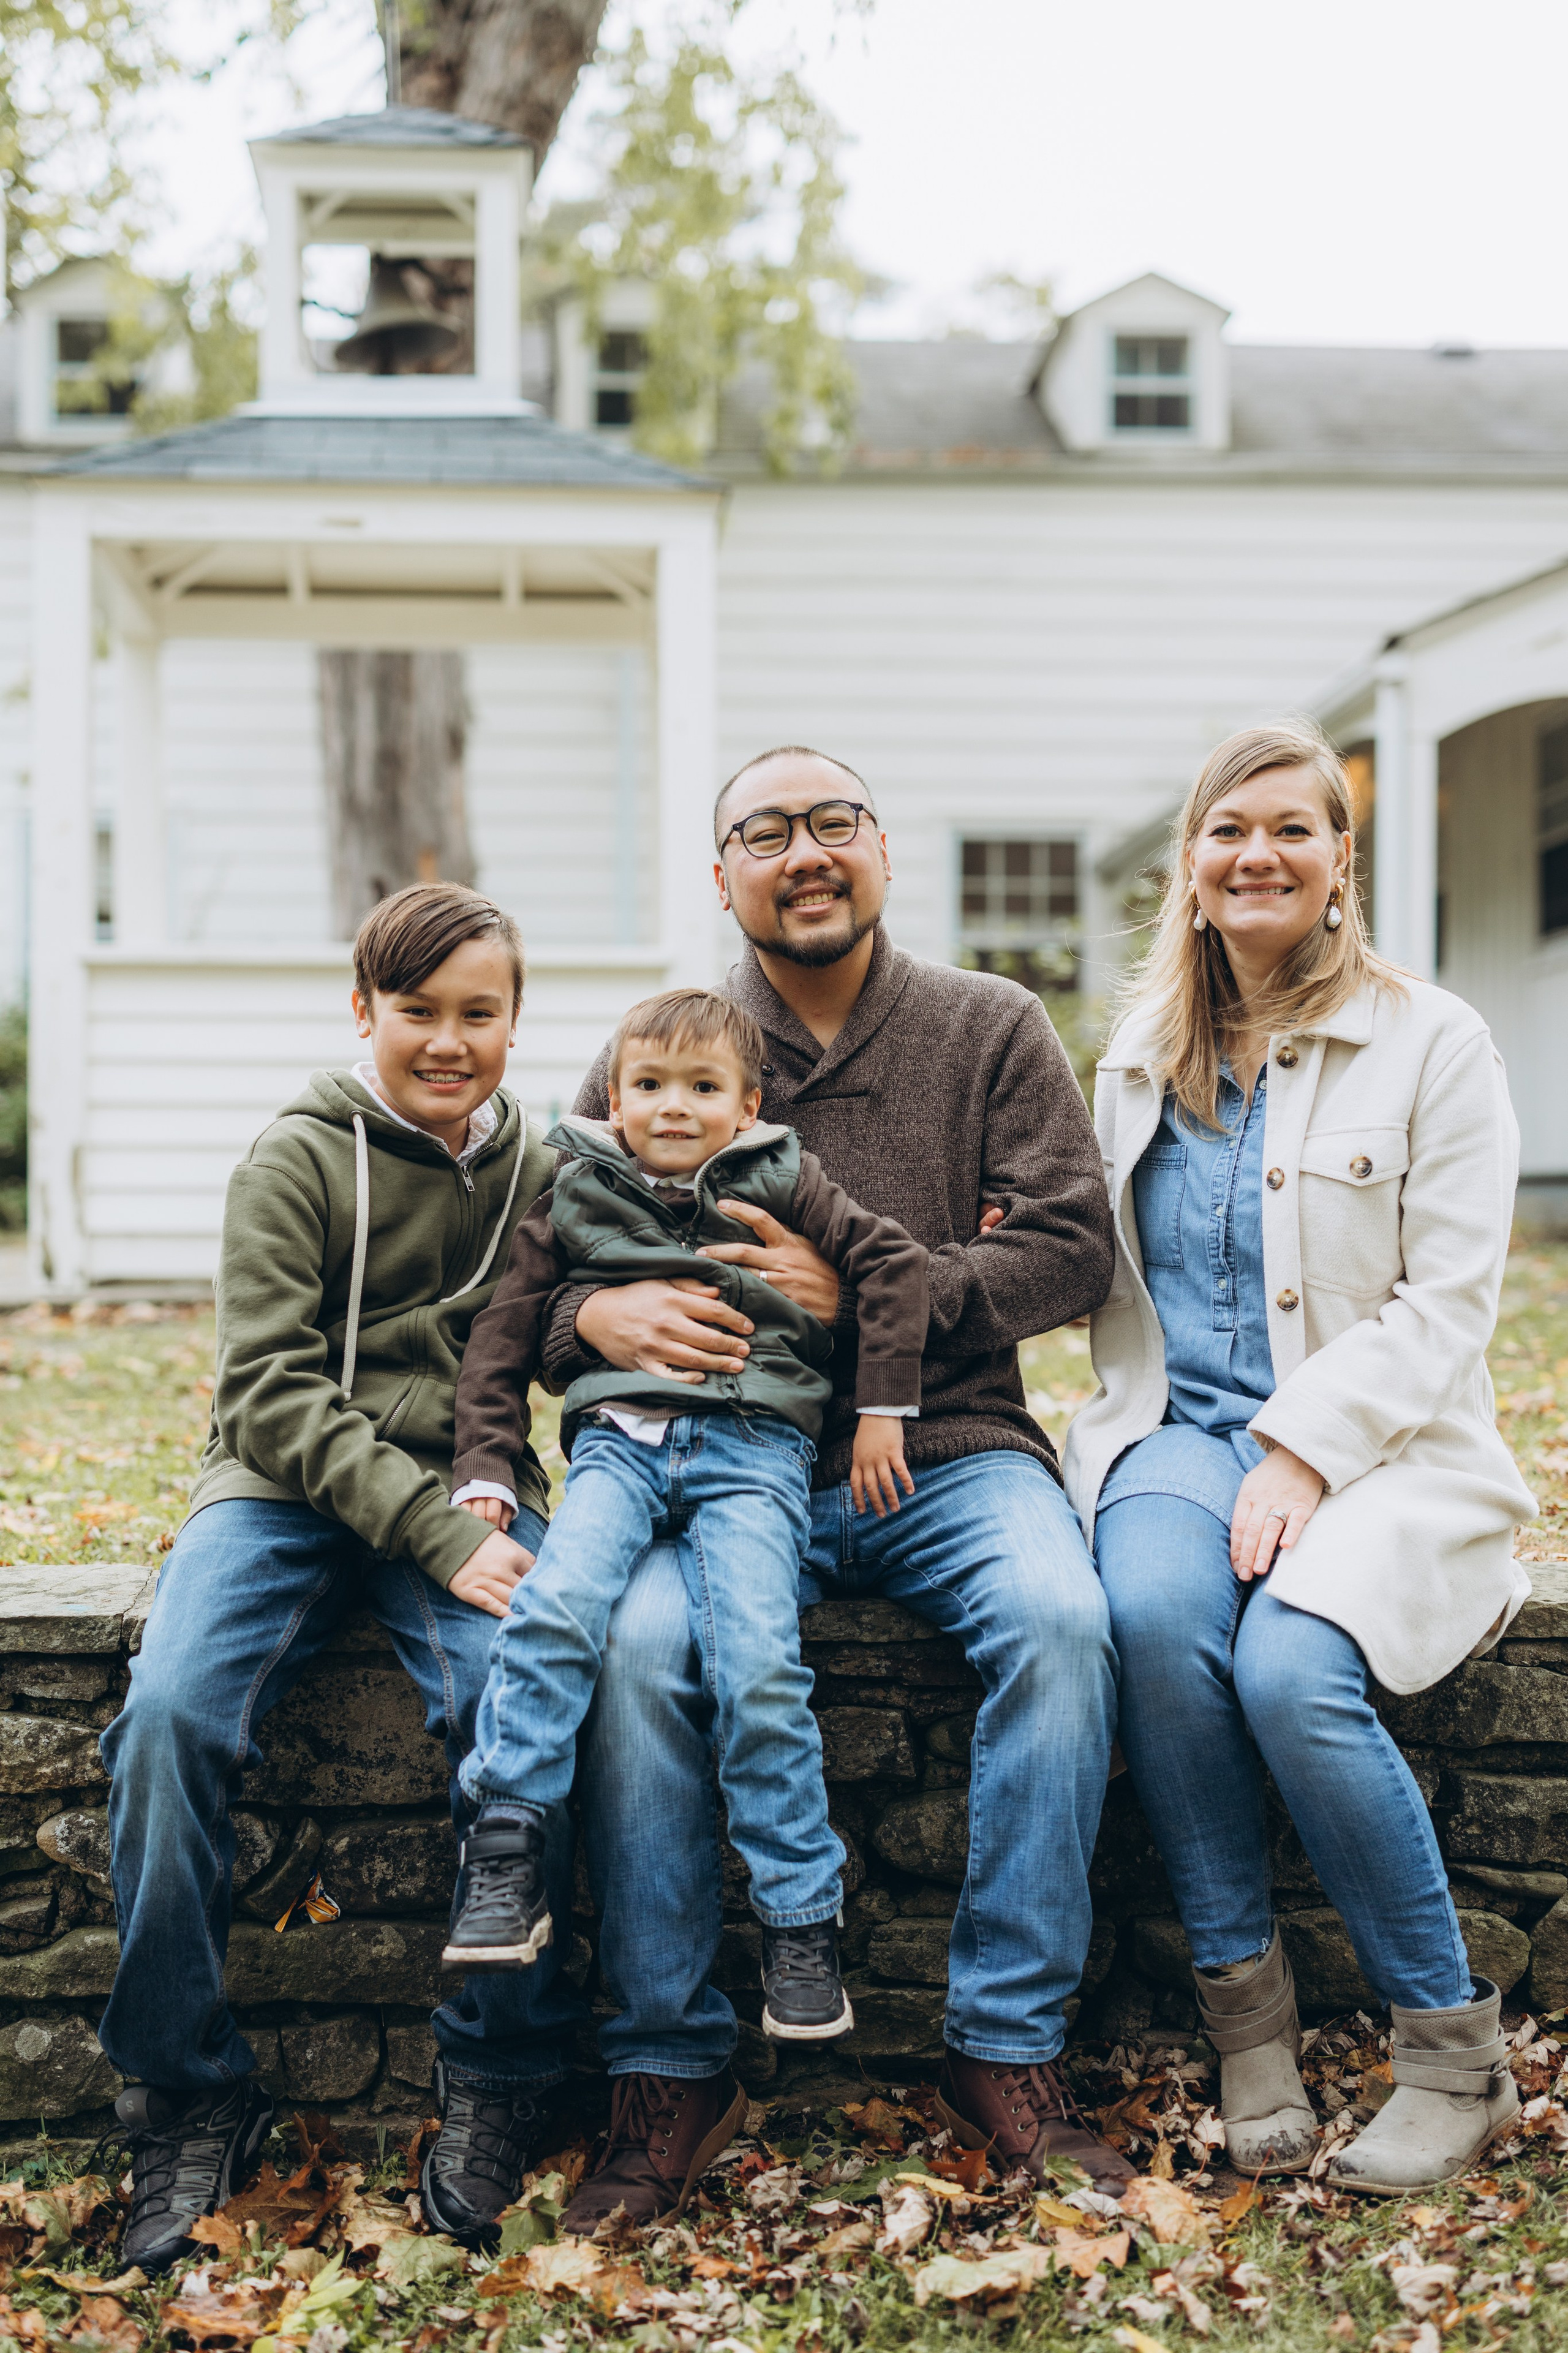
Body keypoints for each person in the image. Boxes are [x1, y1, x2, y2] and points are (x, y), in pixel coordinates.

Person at [542, 746, 1136, 2231]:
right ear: (722, 872)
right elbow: (541, 1276)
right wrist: (591, 1325)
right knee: (631, 1650)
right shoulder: (659, 1044)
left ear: (878, 849)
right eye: (765, 832)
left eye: (832, 824)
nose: (803, 854)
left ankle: (1002, 2045)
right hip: (701, 1465)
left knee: (1062, 1624)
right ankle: (671, 2062)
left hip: (946, 1451)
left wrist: (873, 1289)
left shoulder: (988, 1027)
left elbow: (1067, 1249)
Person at [1065, 720, 1537, 2195]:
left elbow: (1448, 1301)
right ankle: (1244, 2018)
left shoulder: (1431, 1038)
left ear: (1341, 859)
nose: (1254, 854)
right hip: (1173, 1434)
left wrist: (1301, 1451)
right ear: (1188, 868)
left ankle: (1458, 2058)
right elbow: (1081, 1267)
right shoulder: (1138, 1058)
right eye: (1225, 830)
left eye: (1290, 828)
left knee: (1285, 1665)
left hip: (1387, 1450)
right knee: (1148, 1617)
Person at [98, 884, 579, 2270]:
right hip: (282, 1488)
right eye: (415, 1011)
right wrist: (428, 1533)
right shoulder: (294, 1160)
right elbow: (263, 1391)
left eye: (475, 1013)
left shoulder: (540, 1169)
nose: (446, 1040)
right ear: (362, 1011)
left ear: (511, 1021)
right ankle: (188, 2095)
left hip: (464, 1487)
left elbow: (582, 1304)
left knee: (526, 1703)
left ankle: (499, 2074)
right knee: (169, 1718)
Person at [439, 986, 927, 2060]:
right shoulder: (575, 1188)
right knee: (557, 1608)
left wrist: (884, 1407)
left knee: (757, 1657)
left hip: (756, 1454)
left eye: (702, 1088)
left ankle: (800, 1920)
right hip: (619, 1444)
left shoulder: (788, 1177)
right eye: (650, 1085)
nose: (672, 1107)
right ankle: (508, 1849)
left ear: (747, 1105)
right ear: (613, 1097)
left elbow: (890, 1266)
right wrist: (483, 1464)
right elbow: (502, 1338)